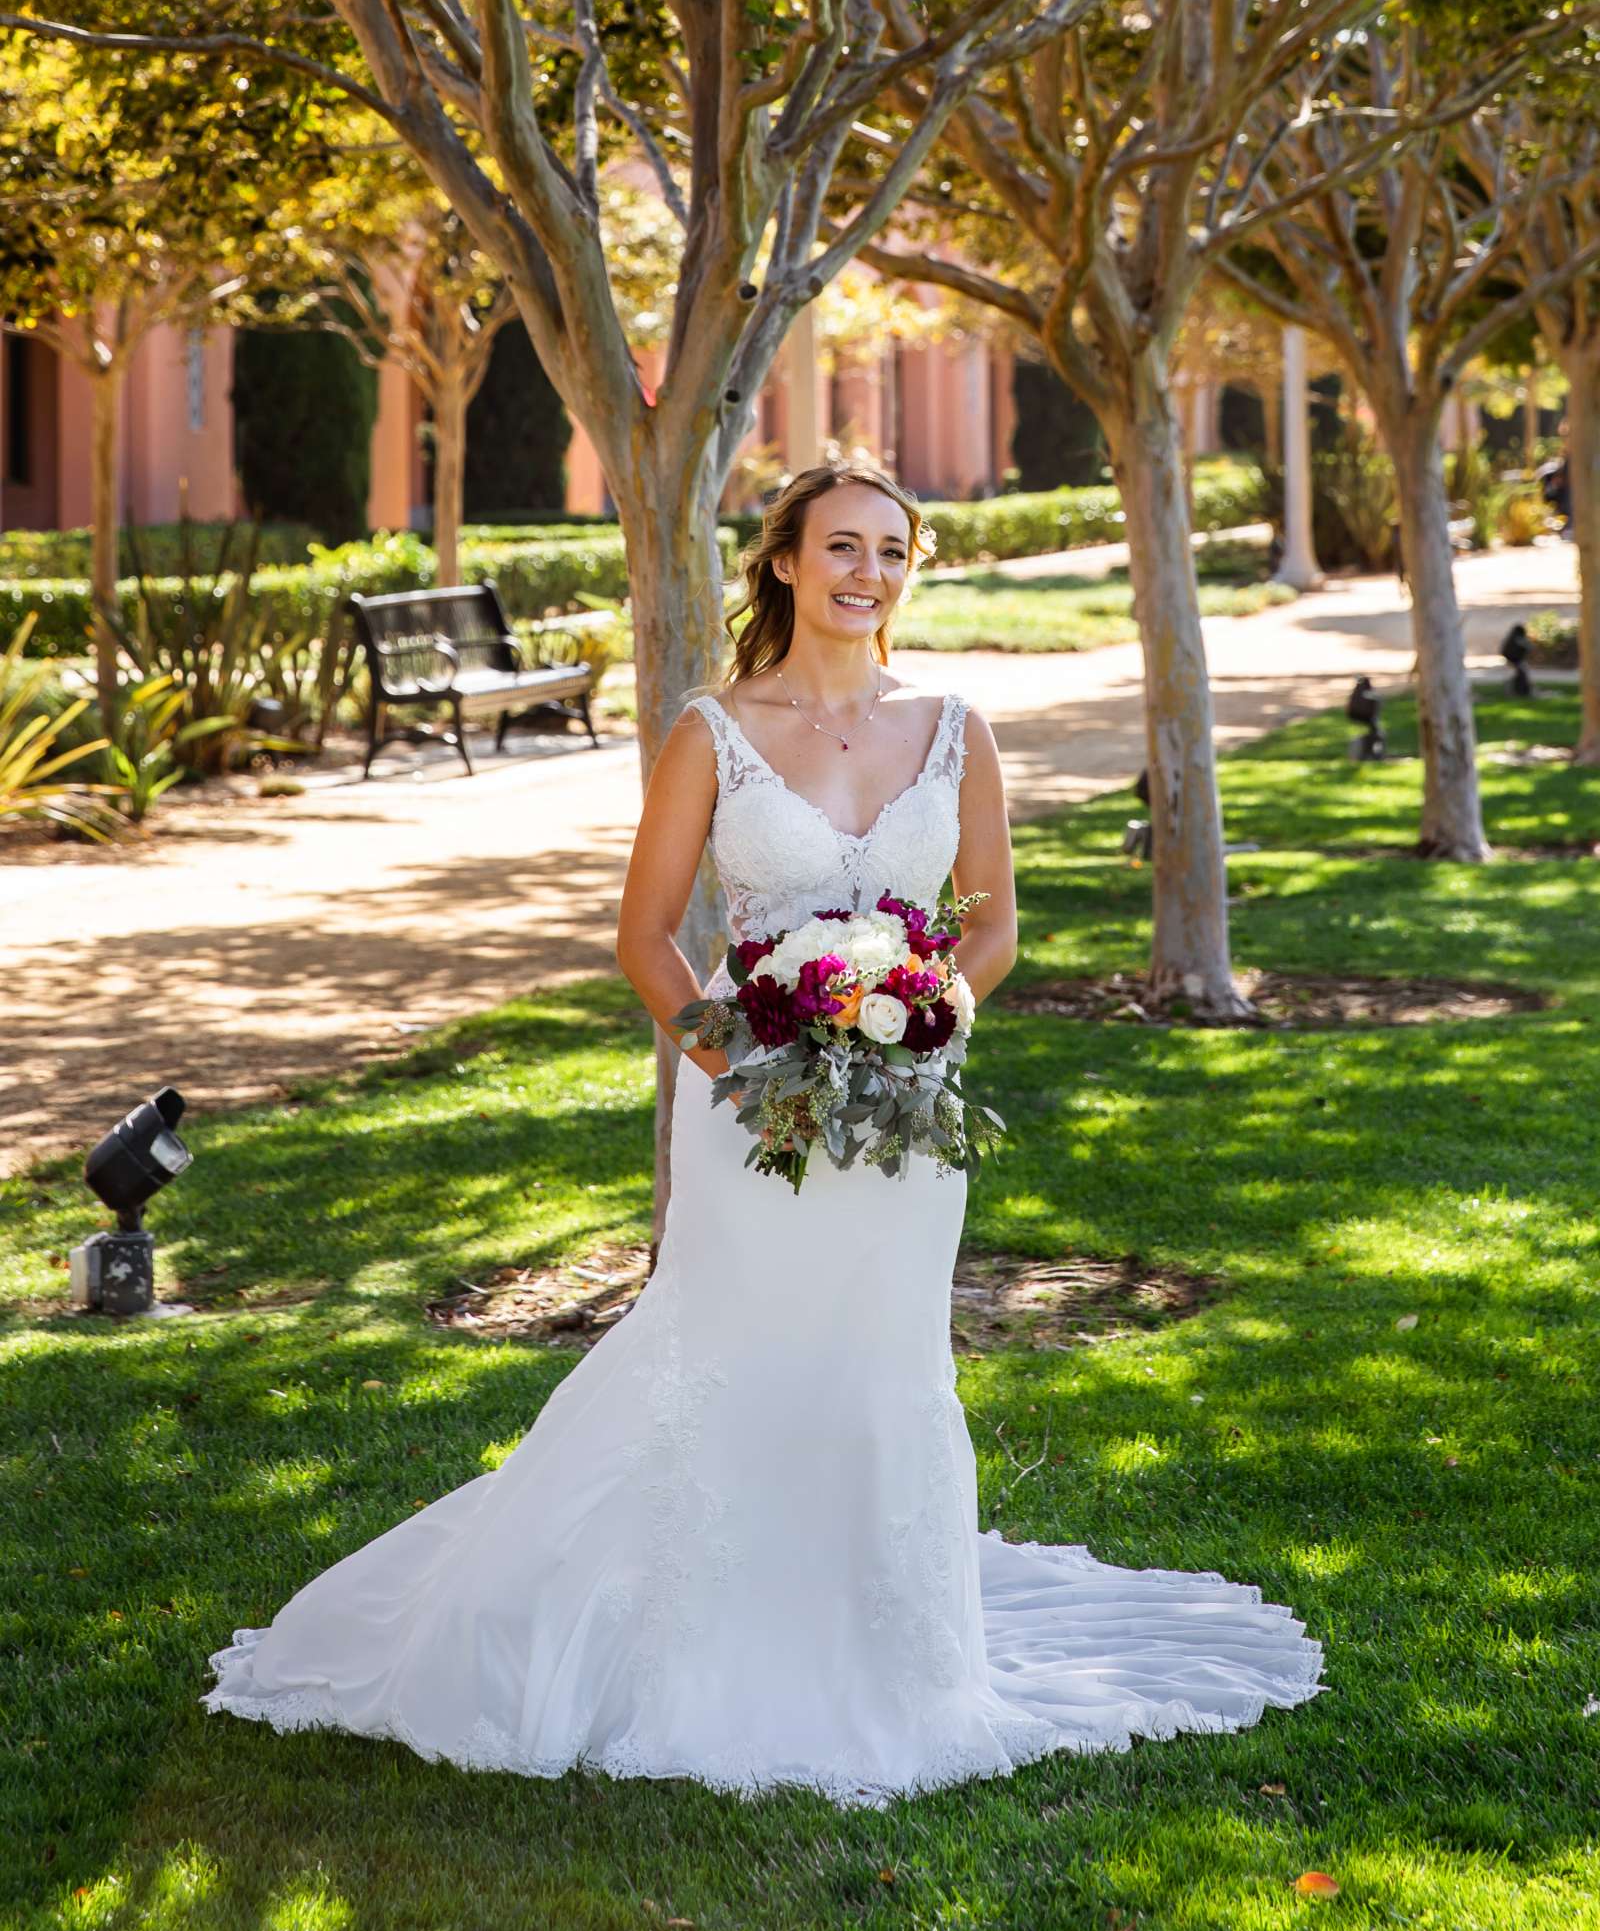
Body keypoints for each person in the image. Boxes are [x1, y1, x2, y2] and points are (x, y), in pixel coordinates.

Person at [200, 460, 1324, 1805]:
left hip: (908, 1110)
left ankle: (896, 1661)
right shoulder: (712, 732)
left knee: (881, 1363)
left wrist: (933, 1009)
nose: (869, 572)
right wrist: (730, 1061)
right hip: (747, 1104)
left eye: (894, 552)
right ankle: (693, 1649)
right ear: (785, 561)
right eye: (843, 545)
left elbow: (995, 923)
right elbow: (647, 936)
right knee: (727, 1352)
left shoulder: (955, 727)